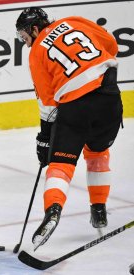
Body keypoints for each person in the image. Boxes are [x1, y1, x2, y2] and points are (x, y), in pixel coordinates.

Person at [15, 7, 123, 250]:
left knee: (60, 165)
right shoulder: (73, 21)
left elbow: (48, 104)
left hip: (76, 107)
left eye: (25, 37)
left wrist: (44, 139)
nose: (26, 43)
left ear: (34, 28)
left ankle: (53, 211)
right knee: (97, 154)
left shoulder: (36, 54)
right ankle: (99, 209)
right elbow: (112, 46)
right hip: (110, 97)